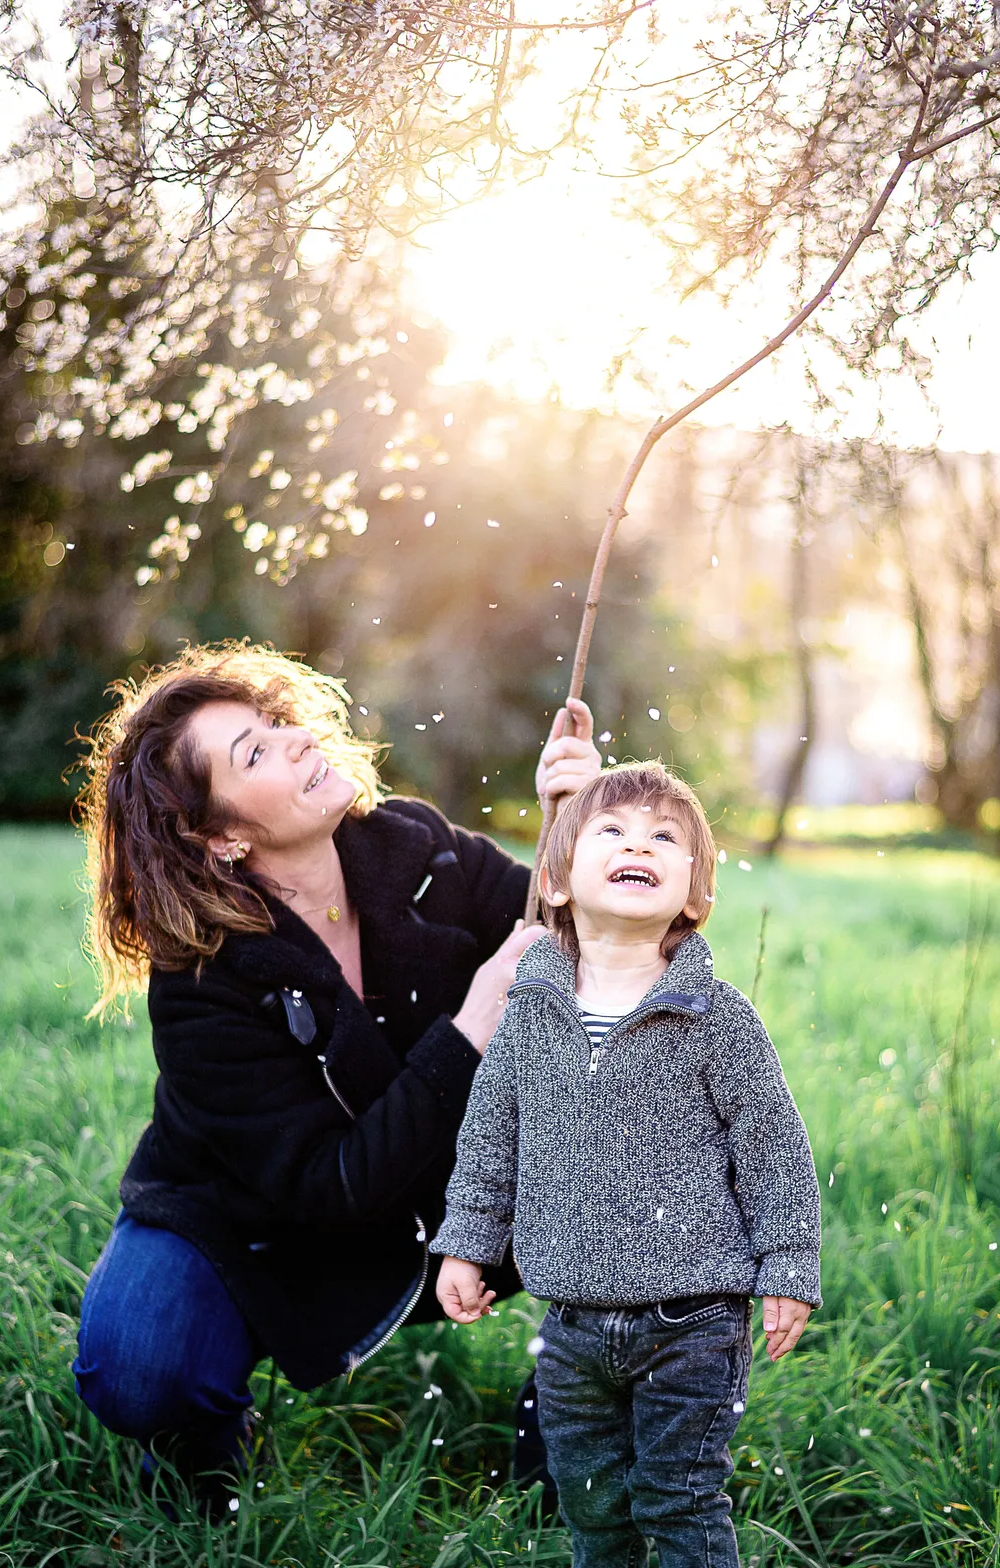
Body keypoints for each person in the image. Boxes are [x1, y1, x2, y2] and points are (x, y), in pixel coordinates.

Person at [71, 641, 602, 1504]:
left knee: (665, 1151)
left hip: (436, 1201)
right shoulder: (201, 984)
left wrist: (576, 823)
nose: (296, 741)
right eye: (254, 752)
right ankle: (200, 1455)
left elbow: (588, 939)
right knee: (138, 1365)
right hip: (251, 1224)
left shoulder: (416, 848)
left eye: (279, 724)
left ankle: (570, 1447)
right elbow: (325, 1186)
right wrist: (472, 1027)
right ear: (219, 837)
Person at [430, 761, 821, 1568]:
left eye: (664, 839)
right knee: (590, 1485)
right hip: (570, 1322)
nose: (638, 846)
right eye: (611, 833)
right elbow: (491, 1140)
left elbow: (772, 1144)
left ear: (695, 893)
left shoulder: (713, 1017)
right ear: (554, 880)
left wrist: (786, 1263)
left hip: (692, 1317)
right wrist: (468, 1243)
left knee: (677, 1490)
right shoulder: (531, 1010)